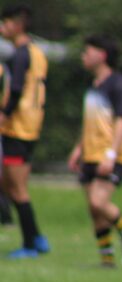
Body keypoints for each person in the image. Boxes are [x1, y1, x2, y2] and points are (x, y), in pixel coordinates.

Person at [66, 35, 122, 269]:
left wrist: (111, 154)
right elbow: (91, 122)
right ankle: (107, 260)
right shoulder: (93, 86)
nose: (84, 55)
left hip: (111, 154)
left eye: (88, 51)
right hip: (91, 153)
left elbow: (121, 123)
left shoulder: (119, 85)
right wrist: (79, 148)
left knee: (99, 202)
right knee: (93, 209)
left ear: (102, 55)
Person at [1, 4, 49, 259]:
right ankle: (36, 237)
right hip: (32, 126)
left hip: (18, 128)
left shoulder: (20, 55)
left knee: (15, 188)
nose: (2, 28)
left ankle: (30, 244)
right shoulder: (37, 53)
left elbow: (17, 89)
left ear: (18, 24)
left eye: (5, 22)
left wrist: (4, 113)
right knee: (15, 187)